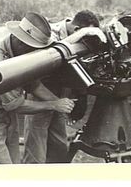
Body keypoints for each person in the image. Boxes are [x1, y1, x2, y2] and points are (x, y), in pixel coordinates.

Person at [0, 12, 106, 164]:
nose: (35, 52)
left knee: (13, 167)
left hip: (7, 118)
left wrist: (60, 103)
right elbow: (15, 105)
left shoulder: (19, 52)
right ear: (21, 42)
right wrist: (53, 104)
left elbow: (33, 85)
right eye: (34, 48)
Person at [22, 10, 100, 164]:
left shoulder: (79, 33)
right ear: (77, 30)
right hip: (40, 88)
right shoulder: (50, 32)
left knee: (59, 143)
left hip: (62, 88)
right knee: (36, 145)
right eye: (84, 35)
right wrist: (81, 34)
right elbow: (51, 52)